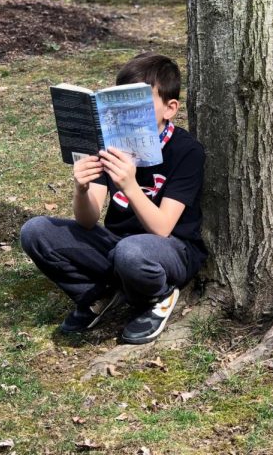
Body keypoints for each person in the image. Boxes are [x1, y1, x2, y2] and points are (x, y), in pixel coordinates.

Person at [20, 53, 206, 344]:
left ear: (170, 109)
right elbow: (87, 220)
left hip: (170, 250)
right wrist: (81, 188)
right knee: (36, 231)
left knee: (131, 253)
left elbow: (163, 228)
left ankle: (160, 296)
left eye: (140, 104)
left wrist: (130, 186)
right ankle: (100, 294)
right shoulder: (109, 145)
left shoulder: (186, 151)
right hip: (117, 245)